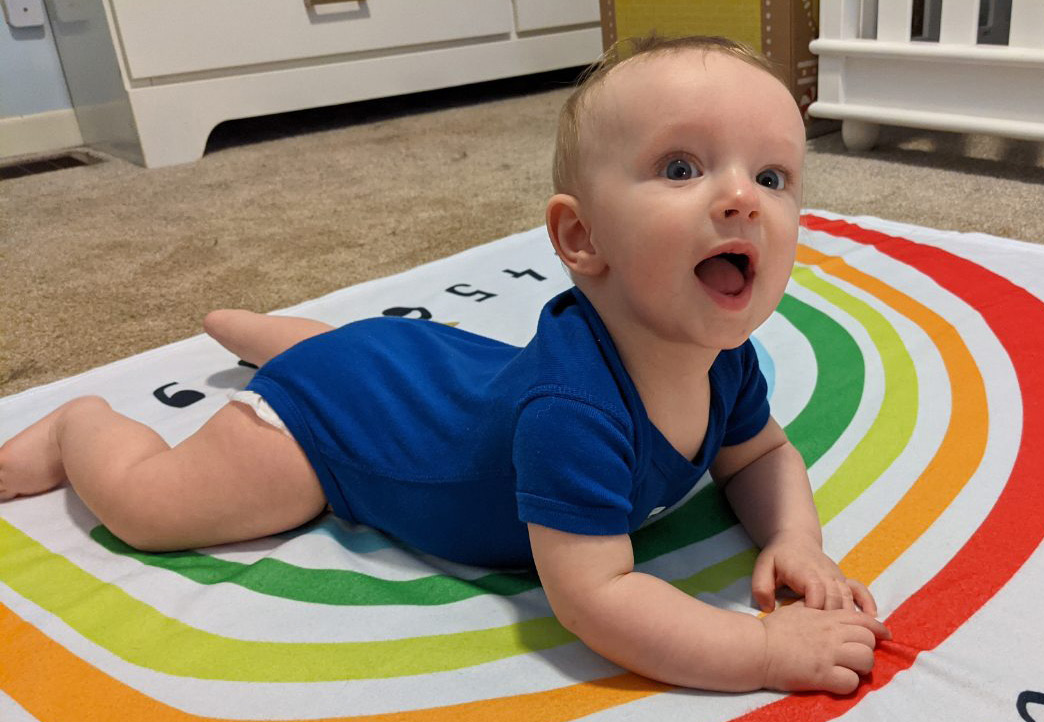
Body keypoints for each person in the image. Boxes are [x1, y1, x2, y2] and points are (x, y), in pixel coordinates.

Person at [0, 35, 889, 694]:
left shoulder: (725, 359)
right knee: (155, 510)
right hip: (333, 430)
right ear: (581, 239)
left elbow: (760, 455)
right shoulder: (571, 412)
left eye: (772, 178)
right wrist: (763, 653)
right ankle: (86, 428)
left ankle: (266, 331)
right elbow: (599, 598)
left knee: (385, 357)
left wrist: (792, 539)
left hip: (412, 363)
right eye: (683, 167)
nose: (740, 197)